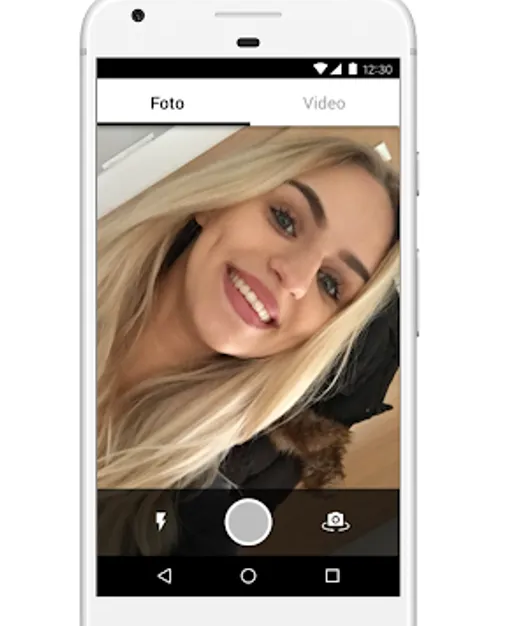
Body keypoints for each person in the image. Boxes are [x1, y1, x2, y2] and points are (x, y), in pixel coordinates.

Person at [97, 129, 399, 554]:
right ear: (218, 201)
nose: (294, 277)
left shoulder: (195, 521)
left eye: (330, 284)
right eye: (285, 220)